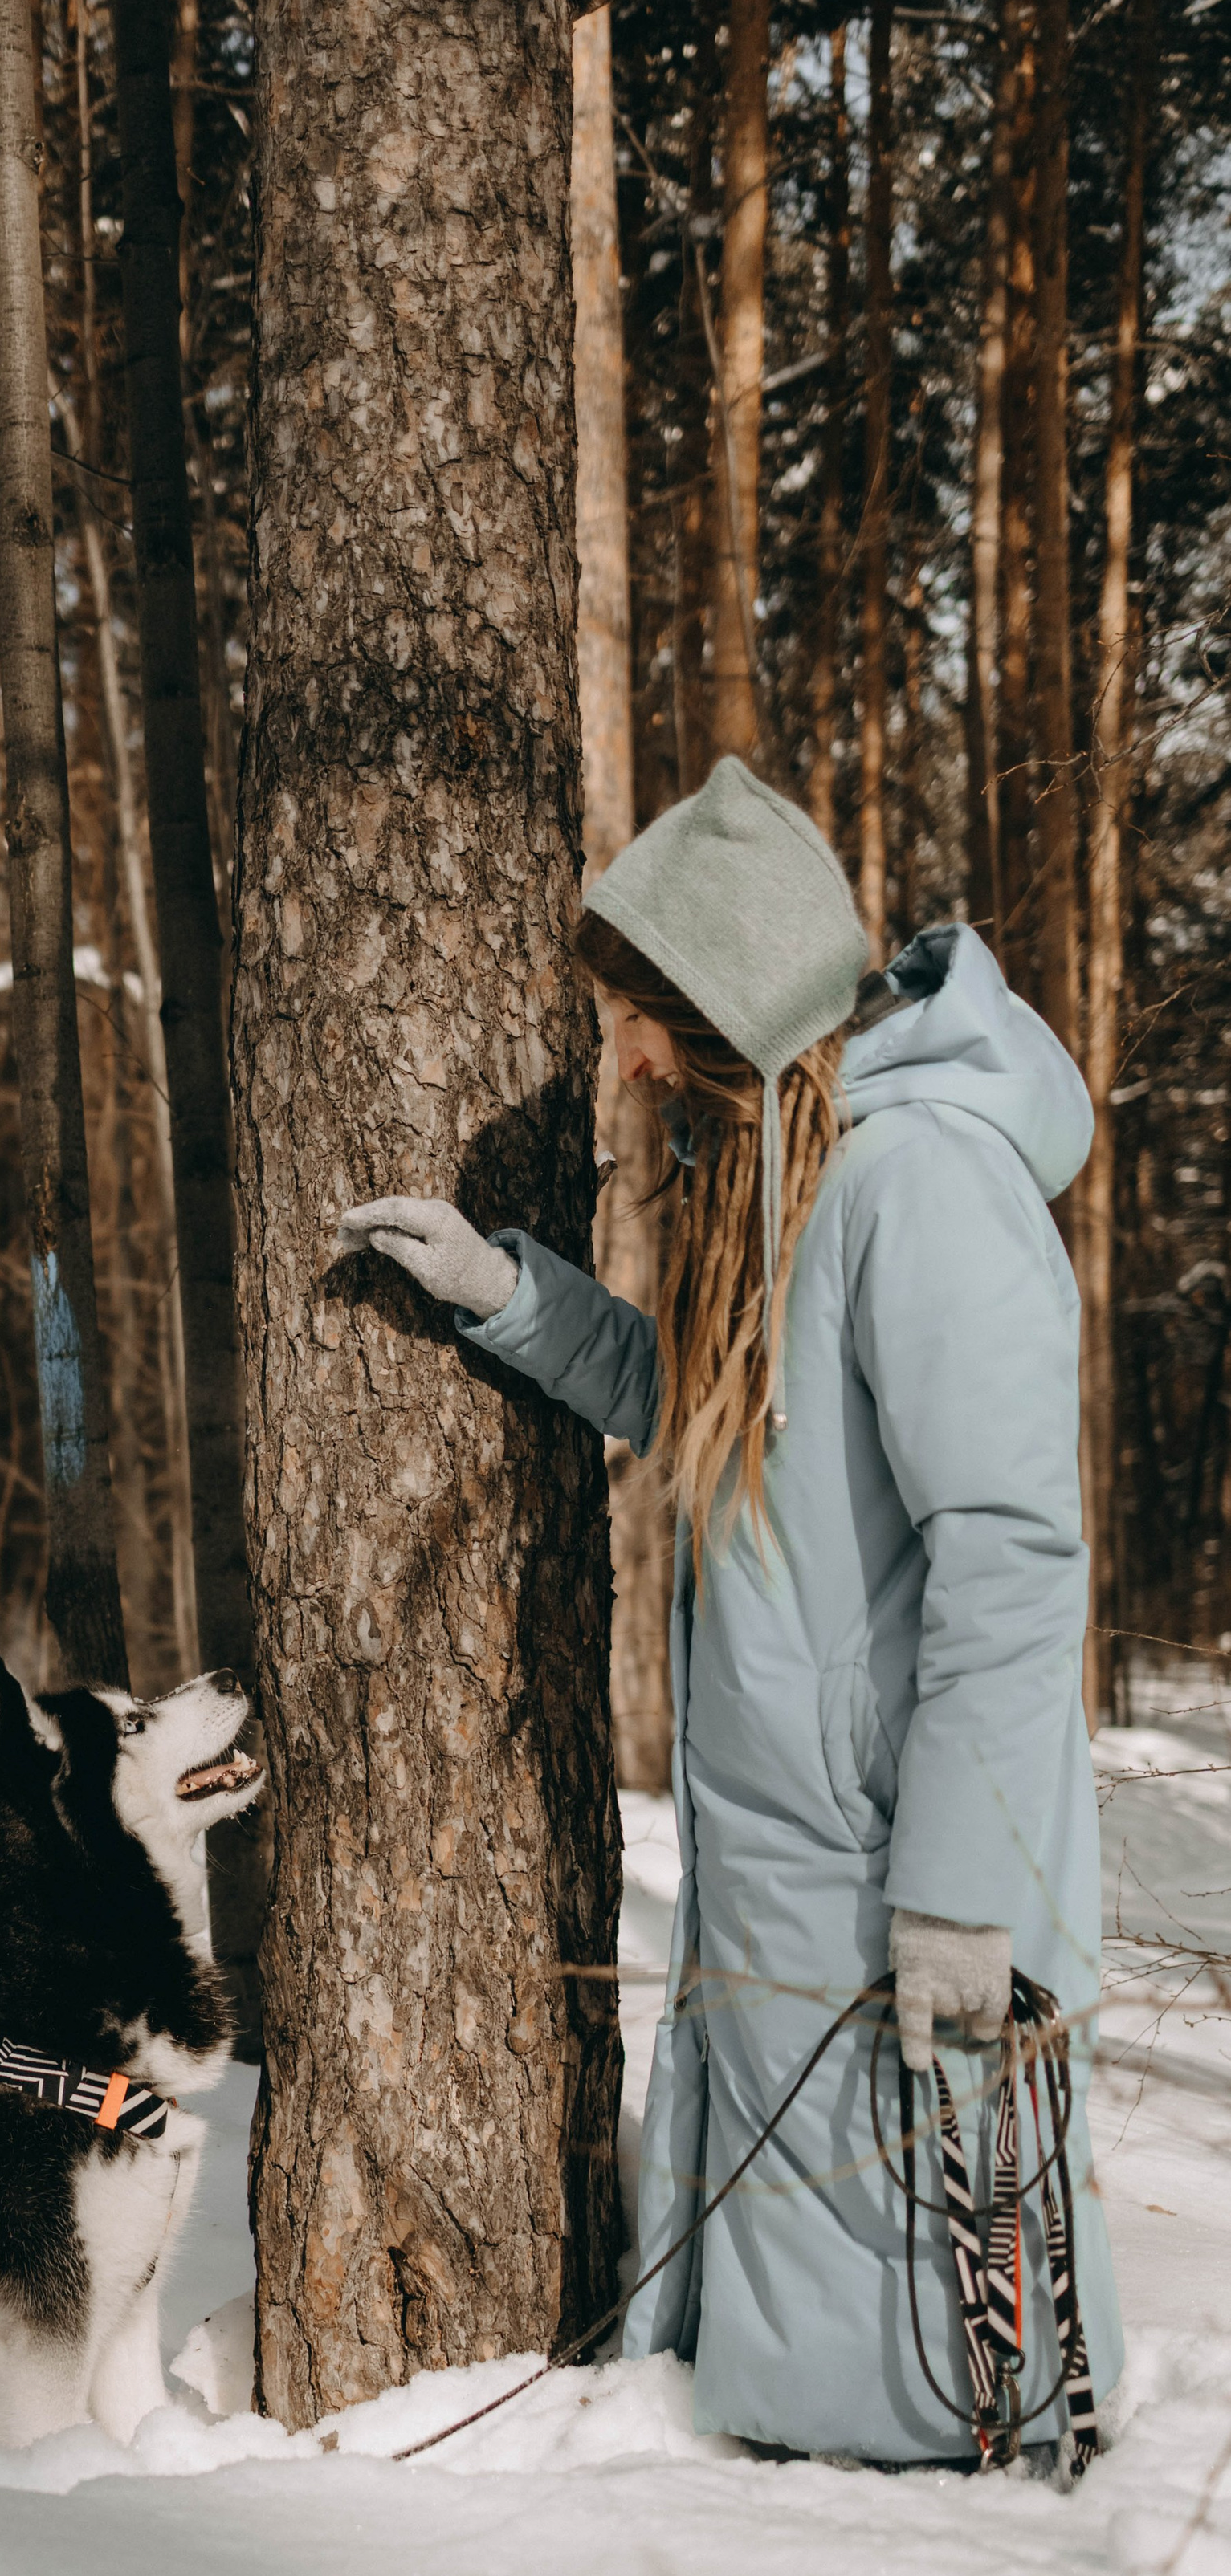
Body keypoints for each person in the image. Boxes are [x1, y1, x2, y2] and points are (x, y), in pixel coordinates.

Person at [338, 755, 1122, 2467]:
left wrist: (958, 1894)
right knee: (798, 2387)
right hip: (792, 1867)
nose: (611, 1060)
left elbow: (1008, 1553)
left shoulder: (916, 1182)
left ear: (727, 1001)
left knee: (925, 2389)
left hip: (898, 1876)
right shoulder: (775, 1169)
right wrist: (502, 1296)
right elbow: (700, 1397)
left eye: (634, 1016)